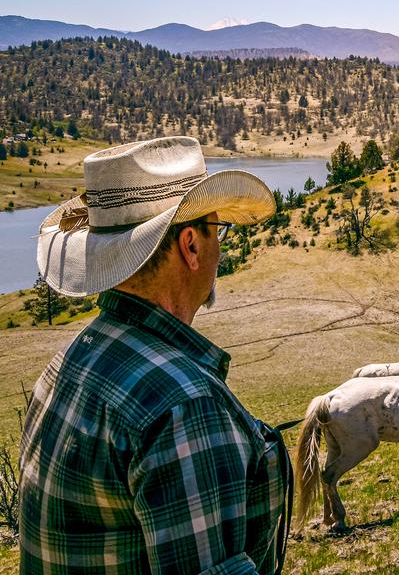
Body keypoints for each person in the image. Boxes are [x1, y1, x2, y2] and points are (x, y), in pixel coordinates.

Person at [20, 136, 291, 574]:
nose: (220, 249)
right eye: (218, 230)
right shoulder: (184, 408)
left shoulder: (66, 364)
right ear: (191, 245)